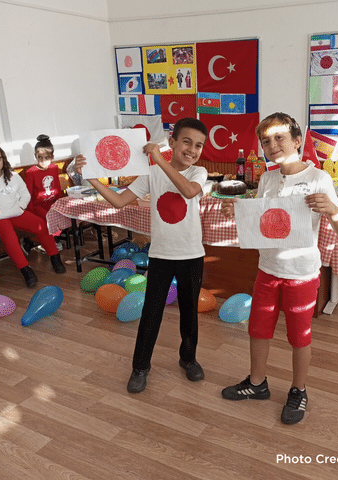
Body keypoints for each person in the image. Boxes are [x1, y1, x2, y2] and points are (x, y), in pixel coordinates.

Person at [220, 112, 338, 425]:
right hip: (268, 269)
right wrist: (237, 211)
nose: (272, 145)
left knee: (299, 335)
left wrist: (332, 209)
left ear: (297, 140)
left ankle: (298, 389)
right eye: (266, 141)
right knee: (258, 329)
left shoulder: (319, 178)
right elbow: (264, 219)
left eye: (279, 137)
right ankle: (257, 383)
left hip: (301, 274)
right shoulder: (267, 178)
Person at [74, 117, 209, 393]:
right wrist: (91, 177)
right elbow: (119, 201)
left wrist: (159, 160)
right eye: (186, 142)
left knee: (189, 312)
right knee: (151, 312)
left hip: (191, 255)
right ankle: (140, 366)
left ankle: (188, 358)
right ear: (172, 142)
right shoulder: (151, 173)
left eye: (198, 145)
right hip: (161, 255)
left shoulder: (199, 172)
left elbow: (188, 191)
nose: (192, 149)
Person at [0, 144, 66, 287]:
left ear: (3, 159)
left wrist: (20, 206)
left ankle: (55, 257)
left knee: (41, 225)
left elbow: (25, 194)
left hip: (16, 211)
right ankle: (26, 269)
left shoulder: (13, 176)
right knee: (9, 235)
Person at [25, 134, 63, 251]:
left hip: (51, 203)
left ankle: (53, 240)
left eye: (47, 158)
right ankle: (53, 242)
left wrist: (60, 202)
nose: (43, 161)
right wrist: (31, 212)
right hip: (38, 206)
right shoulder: (31, 172)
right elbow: (28, 194)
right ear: (35, 156)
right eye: (39, 157)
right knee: (50, 217)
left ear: (52, 157)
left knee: (60, 214)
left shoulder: (54, 168)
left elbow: (57, 187)